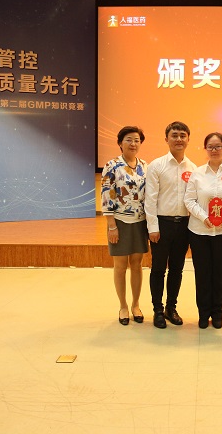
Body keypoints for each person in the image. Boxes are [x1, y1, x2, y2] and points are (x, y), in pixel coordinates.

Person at [184, 132, 222, 329]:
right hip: (199, 231)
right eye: (210, 147)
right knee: (202, 274)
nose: (214, 150)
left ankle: (217, 313)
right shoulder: (197, 173)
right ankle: (203, 313)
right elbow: (189, 200)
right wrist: (205, 217)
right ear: (205, 149)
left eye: (218, 146)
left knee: (219, 274)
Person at [144, 121, 197, 329]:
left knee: (177, 269)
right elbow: (150, 199)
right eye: (174, 135)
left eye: (183, 135)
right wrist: (152, 228)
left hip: (184, 225)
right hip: (162, 224)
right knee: (158, 269)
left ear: (188, 139)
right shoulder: (156, 165)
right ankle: (157, 310)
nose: (179, 139)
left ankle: (170, 308)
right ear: (166, 139)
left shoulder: (193, 168)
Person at [101, 126, 148, 326]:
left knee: (137, 265)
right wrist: (111, 225)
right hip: (119, 222)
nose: (133, 143)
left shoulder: (145, 166)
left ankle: (136, 304)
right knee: (120, 266)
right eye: (129, 139)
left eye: (137, 140)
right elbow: (107, 195)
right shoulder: (111, 165)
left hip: (140, 222)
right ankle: (123, 306)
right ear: (120, 143)